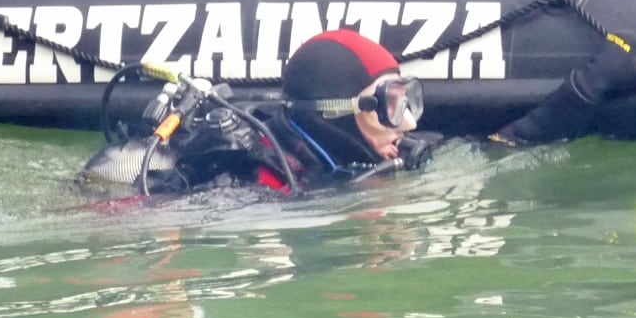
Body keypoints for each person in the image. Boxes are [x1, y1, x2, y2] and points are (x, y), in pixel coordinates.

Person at [76, 29, 437, 198]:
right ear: (335, 114)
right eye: (389, 106)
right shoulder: (255, 179)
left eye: (406, 101)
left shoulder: (374, 158)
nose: (408, 123)